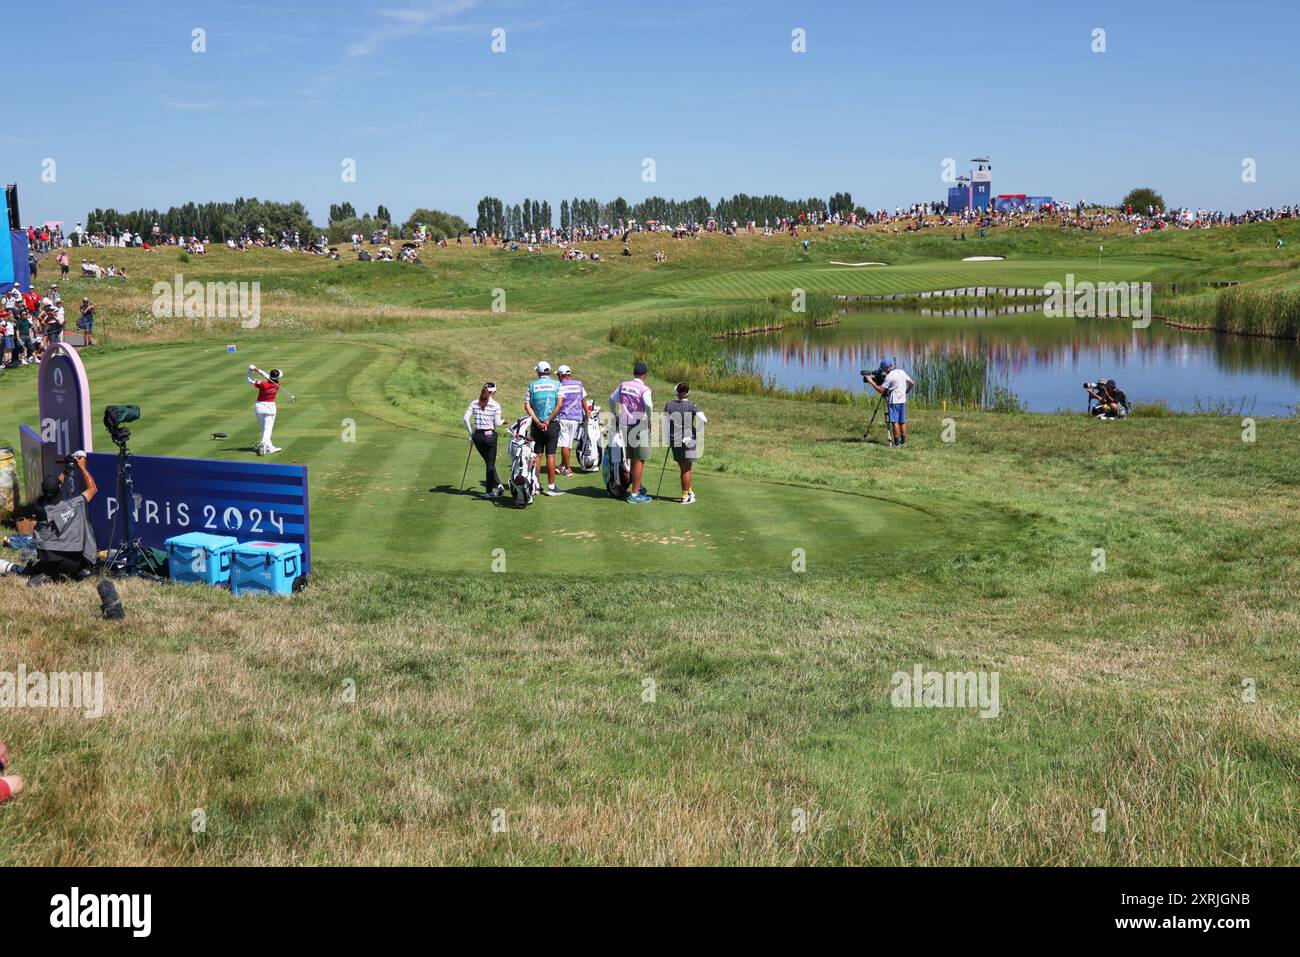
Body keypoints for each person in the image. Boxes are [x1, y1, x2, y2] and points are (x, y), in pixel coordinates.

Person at [14, 452, 99, 585]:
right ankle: (68, 573)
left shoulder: (38, 507)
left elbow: (55, 487)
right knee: (84, 559)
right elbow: (92, 489)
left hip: (46, 558)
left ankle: (49, 573)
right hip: (71, 561)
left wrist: (65, 471)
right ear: (59, 489)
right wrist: (82, 467)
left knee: (50, 561)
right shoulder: (74, 505)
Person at [611, 361, 654, 503]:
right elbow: (648, 404)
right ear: (645, 375)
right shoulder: (645, 389)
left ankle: (637, 485)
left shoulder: (623, 385)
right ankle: (635, 495)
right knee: (639, 459)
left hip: (625, 425)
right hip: (639, 425)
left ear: (634, 373)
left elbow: (612, 399)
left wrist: (614, 415)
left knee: (632, 458)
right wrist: (650, 420)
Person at [662, 382, 707, 504]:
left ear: (676, 391)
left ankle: (689, 491)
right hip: (688, 440)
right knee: (686, 470)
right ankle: (685, 496)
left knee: (683, 468)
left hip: (674, 440)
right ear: (688, 392)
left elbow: (665, 424)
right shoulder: (692, 405)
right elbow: (704, 420)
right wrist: (694, 432)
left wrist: (667, 439)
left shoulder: (669, 405)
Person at [524, 361, 564, 496]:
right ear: (549, 372)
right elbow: (559, 405)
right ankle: (551, 487)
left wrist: (538, 421)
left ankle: (535, 484)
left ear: (538, 372)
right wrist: (548, 420)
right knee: (551, 456)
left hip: (537, 425)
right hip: (552, 425)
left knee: (538, 455)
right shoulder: (557, 385)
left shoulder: (532, 385)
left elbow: (527, 406)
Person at [464, 382, 504, 498]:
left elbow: (465, 419)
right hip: (490, 436)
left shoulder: (474, 402)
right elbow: (497, 423)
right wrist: (504, 421)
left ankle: (499, 485)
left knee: (489, 463)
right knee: (490, 464)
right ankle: (489, 491)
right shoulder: (495, 405)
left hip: (478, 437)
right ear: (493, 393)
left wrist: (471, 434)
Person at [866, 359, 914, 447]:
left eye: (883, 369)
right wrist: (906, 391)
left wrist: (871, 382)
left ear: (887, 368)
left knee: (894, 421)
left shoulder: (889, 377)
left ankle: (896, 443)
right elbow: (911, 382)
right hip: (902, 400)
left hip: (894, 401)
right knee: (902, 421)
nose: (883, 371)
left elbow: (881, 390)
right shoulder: (901, 372)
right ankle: (903, 442)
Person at [554, 365, 589, 476]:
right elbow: (583, 400)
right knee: (568, 444)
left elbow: (558, 403)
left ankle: (567, 469)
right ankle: (563, 466)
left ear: (561, 375)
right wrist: (587, 413)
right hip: (576, 418)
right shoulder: (578, 384)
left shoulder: (560, 385)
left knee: (564, 444)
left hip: (564, 417)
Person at [247, 365, 283, 455]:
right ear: (277, 378)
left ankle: (269, 447)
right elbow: (267, 376)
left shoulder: (262, 384)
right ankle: (263, 444)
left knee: (264, 428)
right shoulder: (277, 384)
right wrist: (257, 369)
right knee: (268, 429)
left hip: (259, 407)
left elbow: (250, 380)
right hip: (270, 408)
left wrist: (250, 370)